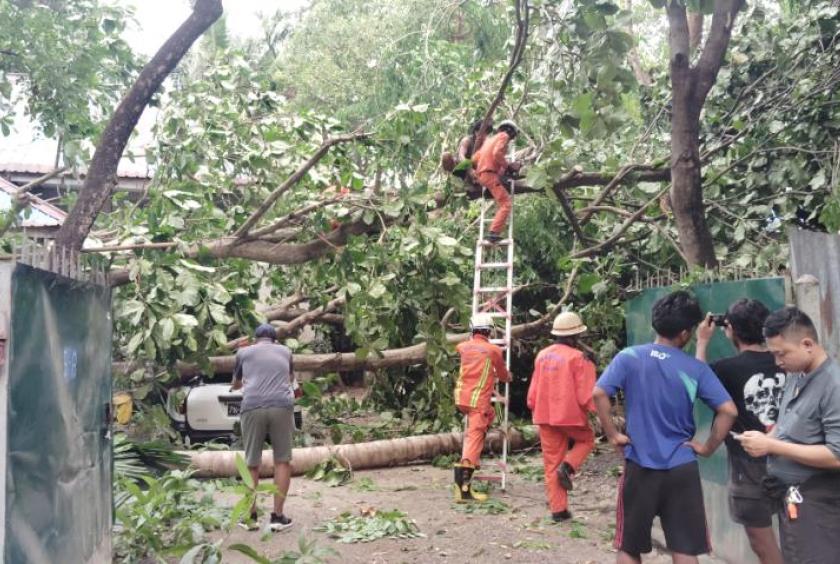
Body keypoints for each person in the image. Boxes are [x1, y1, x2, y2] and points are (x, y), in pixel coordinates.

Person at [593, 291, 737, 564]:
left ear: (655, 323)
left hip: (640, 464)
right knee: (684, 548)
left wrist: (613, 434)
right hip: (681, 467)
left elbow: (599, 393)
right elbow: (728, 410)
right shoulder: (696, 369)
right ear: (685, 333)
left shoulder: (629, 357)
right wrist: (707, 448)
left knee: (629, 547)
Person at [735, 307, 840, 564]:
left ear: (807, 344)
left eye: (781, 353)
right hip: (792, 498)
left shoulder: (833, 385)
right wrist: (769, 437)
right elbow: (791, 428)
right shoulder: (795, 376)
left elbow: (836, 455)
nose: (777, 362)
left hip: (819, 503)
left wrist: (772, 446)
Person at [695, 300, 784, 564]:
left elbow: (698, 382)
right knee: (795, 538)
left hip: (748, 467)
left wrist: (702, 342)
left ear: (730, 329)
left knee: (763, 544)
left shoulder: (726, 369)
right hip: (791, 458)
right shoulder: (785, 362)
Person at [527, 311, 596, 522]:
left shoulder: (542, 355)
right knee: (587, 440)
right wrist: (597, 412)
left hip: (544, 415)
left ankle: (558, 511)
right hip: (569, 417)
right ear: (575, 336)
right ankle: (569, 466)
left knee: (551, 463)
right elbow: (586, 396)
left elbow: (533, 393)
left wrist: (534, 407)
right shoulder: (578, 358)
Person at [231, 323, 296, 531]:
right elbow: (290, 379)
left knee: (252, 462)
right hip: (281, 406)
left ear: (255, 339)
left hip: (253, 407)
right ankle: (277, 517)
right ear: (275, 340)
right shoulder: (286, 351)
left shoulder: (243, 352)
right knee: (282, 460)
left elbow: (237, 383)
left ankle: (251, 518)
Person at [453, 312, 511, 502]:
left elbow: (463, 347)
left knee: (490, 415)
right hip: (478, 401)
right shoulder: (493, 351)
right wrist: (509, 377)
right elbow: (503, 375)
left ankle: (471, 464)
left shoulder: (462, 347)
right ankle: (463, 490)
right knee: (473, 440)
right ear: (489, 331)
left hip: (462, 398)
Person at [471, 119, 520, 243]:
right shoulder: (503, 136)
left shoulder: (489, 140)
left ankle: (490, 190)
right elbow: (497, 153)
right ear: (510, 131)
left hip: (483, 176)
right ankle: (494, 232)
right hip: (489, 175)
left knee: (498, 190)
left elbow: (475, 159)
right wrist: (508, 166)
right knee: (506, 203)